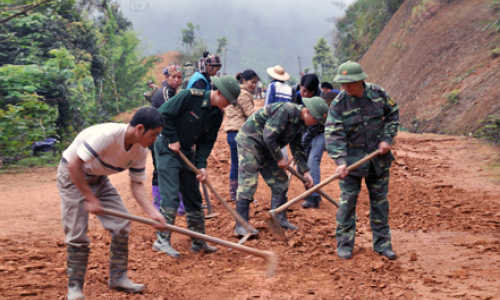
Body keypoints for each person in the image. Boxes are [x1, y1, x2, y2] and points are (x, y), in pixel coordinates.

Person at [57, 107, 168, 300]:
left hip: (99, 179)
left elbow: (136, 185)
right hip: (73, 176)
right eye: (154, 134)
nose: (155, 140)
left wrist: (153, 213)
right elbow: (74, 164)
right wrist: (90, 198)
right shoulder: (107, 136)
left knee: (121, 223)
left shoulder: (141, 150)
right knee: (77, 234)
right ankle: (75, 289)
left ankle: (118, 278)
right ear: (140, 128)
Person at [153, 75, 240, 258]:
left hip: (186, 152)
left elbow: (206, 143)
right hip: (167, 147)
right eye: (227, 100)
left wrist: (201, 165)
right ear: (218, 92)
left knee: (193, 195)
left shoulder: (217, 115)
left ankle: (198, 241)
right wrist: (173, 138)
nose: (227, 105)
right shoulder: (189, 96)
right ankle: (161, 240)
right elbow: (162, 114)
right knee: (170, 194)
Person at [325, 61, 399, 260]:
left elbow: (393, 114)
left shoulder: (378, 94)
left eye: (350, 83)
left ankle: (383, 244)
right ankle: (345, 244)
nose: (346, 87)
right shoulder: (339, 104)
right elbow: (333, 134)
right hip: (351, 163)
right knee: (347, 203)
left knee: (380, 202)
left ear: (361, 80)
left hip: (378, 161)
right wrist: (340, 161)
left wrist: (387, 138)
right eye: (343, 84)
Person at [233, 98, 329, 236]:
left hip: (268, 147)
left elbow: (297, 147)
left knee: (281, 181)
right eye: (315, 119)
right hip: (251, 140)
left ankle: (279, 219)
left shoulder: (301, 123)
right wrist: (279, 158)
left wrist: (305, 171)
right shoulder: (286, 111)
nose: (315, 124)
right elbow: (269, 136)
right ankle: (241, 226)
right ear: (307, 111)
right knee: (248, 181)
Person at [151, 65, 186, 215]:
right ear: (166, 78)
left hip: (164, 135)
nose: (177, 80)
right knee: (161, 169)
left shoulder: (171, 92)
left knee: (170, 169)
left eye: (179, 77)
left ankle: (177, 204)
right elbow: (172, 115)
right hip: (157, 137)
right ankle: (158, 204)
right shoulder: (165, 93)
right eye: (173, 77)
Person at [291, 74, 325, 209]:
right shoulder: (296, 92)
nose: (305, 94)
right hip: (304, 130)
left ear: (314, 91)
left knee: (312, 162)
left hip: (319, 132)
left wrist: (300, 147)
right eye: (303, 90)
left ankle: (313, 198)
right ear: (300, 86)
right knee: (301, 166)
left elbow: (314, 128)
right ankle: (310, 191)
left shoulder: (320, 98)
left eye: (308, 92)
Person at [224, 70, 259, 203]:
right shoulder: (243, 94)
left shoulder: (235, 91)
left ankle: (234, 193)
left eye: (256, 83)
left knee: (236, 165)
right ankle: (243, 194)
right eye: (252, 82)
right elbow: (252, 115)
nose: (254, 85)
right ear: (244, 81)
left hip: (232, 134)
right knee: (244, 165)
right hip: (239, 133)